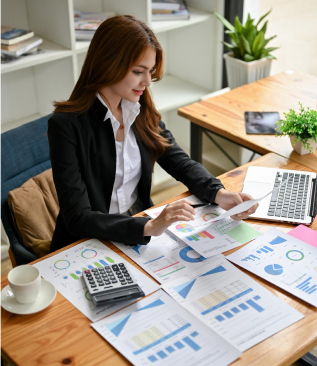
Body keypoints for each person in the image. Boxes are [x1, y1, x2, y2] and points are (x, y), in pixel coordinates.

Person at [48, 15, 258, 253]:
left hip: (136, 227)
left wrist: (219, 193)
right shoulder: (65, 125)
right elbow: (78, 217)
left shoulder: (138, 107)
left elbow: (179, 161)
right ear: (108, 63)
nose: (147, 81)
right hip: (86, 241)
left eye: (150, 71)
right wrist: (148, 226)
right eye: (139, 71)